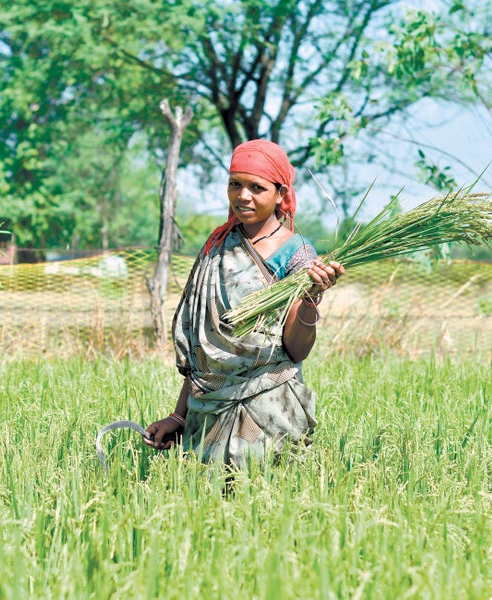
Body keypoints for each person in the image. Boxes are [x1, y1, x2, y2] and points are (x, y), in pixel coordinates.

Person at [144, 139, 344, 470]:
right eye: (235, 184)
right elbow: (201, 349)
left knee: (261, 497)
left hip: (267, 407)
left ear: (280, 194)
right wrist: (178, 417)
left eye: (256, 187)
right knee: (203, 502)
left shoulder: (297, 254)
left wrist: (310, 300)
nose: (243, 196)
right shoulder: (218, 246)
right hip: (207, 411)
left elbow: (296, 351)